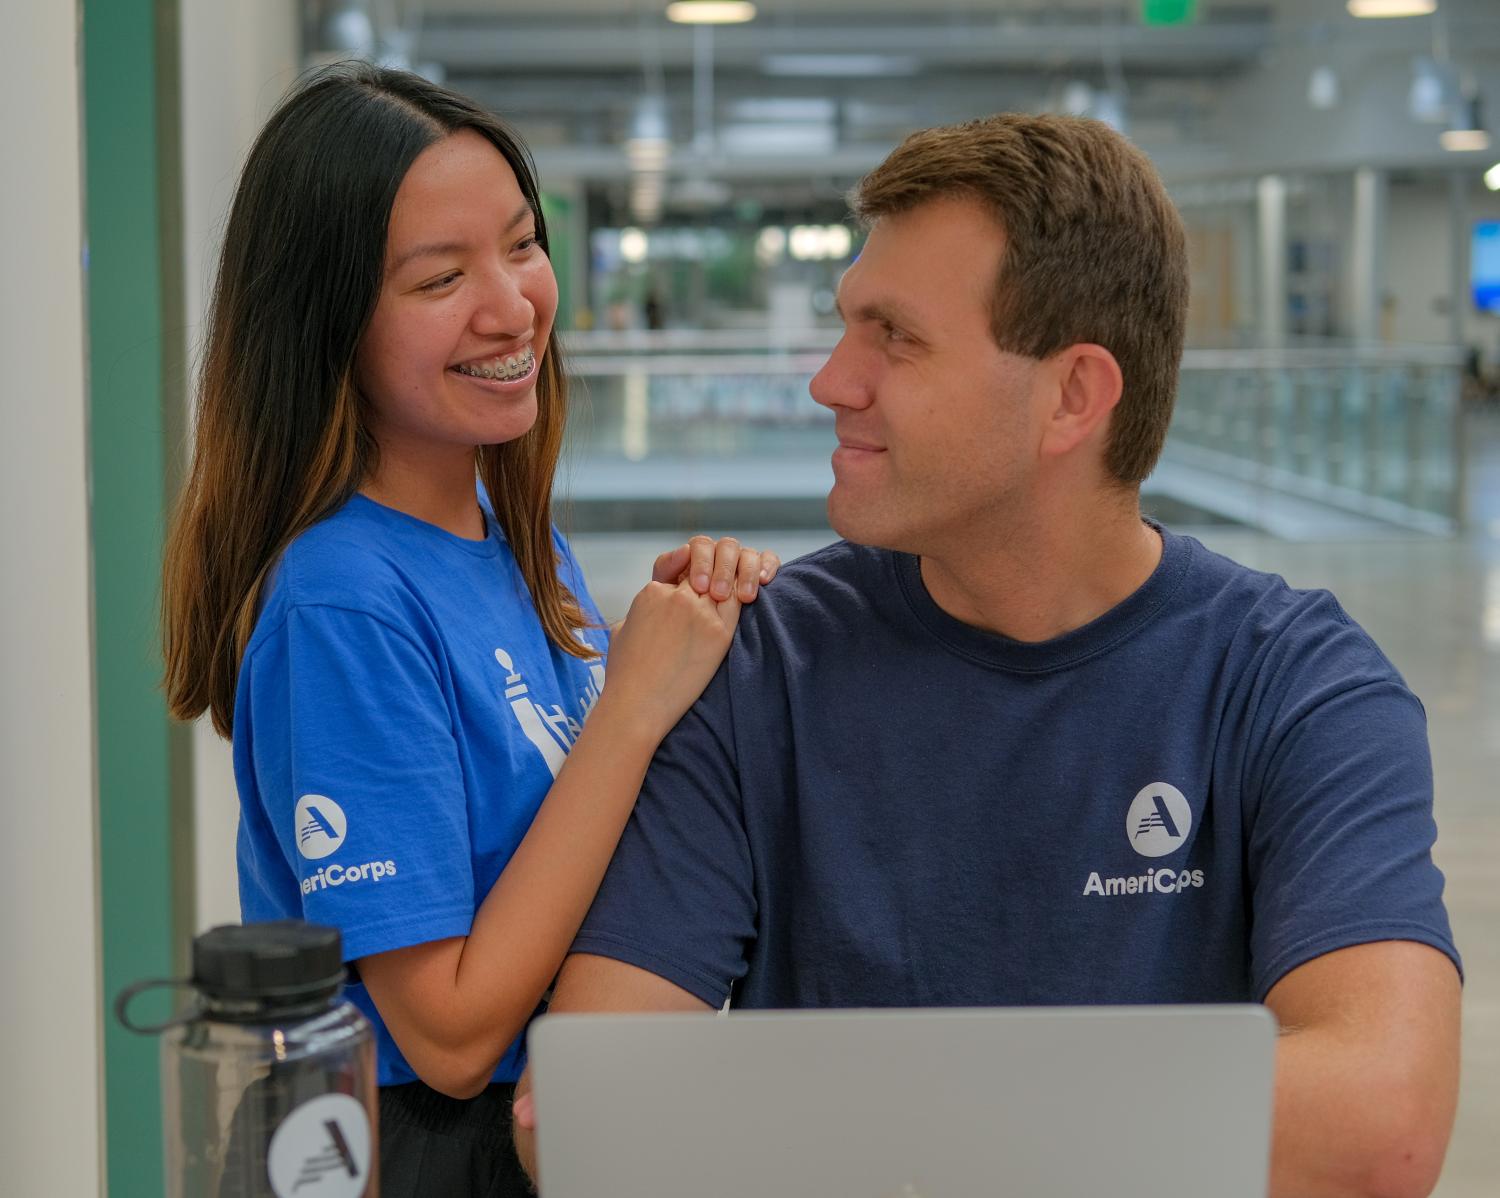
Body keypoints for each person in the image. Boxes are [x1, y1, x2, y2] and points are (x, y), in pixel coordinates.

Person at [515, 114, 1463, 1198]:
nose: (831, 380)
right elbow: (582, 1123)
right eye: (846, 328)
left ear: (1074, 396)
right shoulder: (758, 661)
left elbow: (1379, 1128)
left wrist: (813, 1115)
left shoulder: (1297, 687)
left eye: (895, 338)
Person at [160, 64, 778, 1196]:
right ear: (327, 323)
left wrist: (684, 632)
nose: (511, 305)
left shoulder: (507, 535)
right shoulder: (342, 601)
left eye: (522, 244)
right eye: (442, 276)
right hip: (408, 1147)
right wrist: (633, 706)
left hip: (540, 1125)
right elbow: (445, 1032)